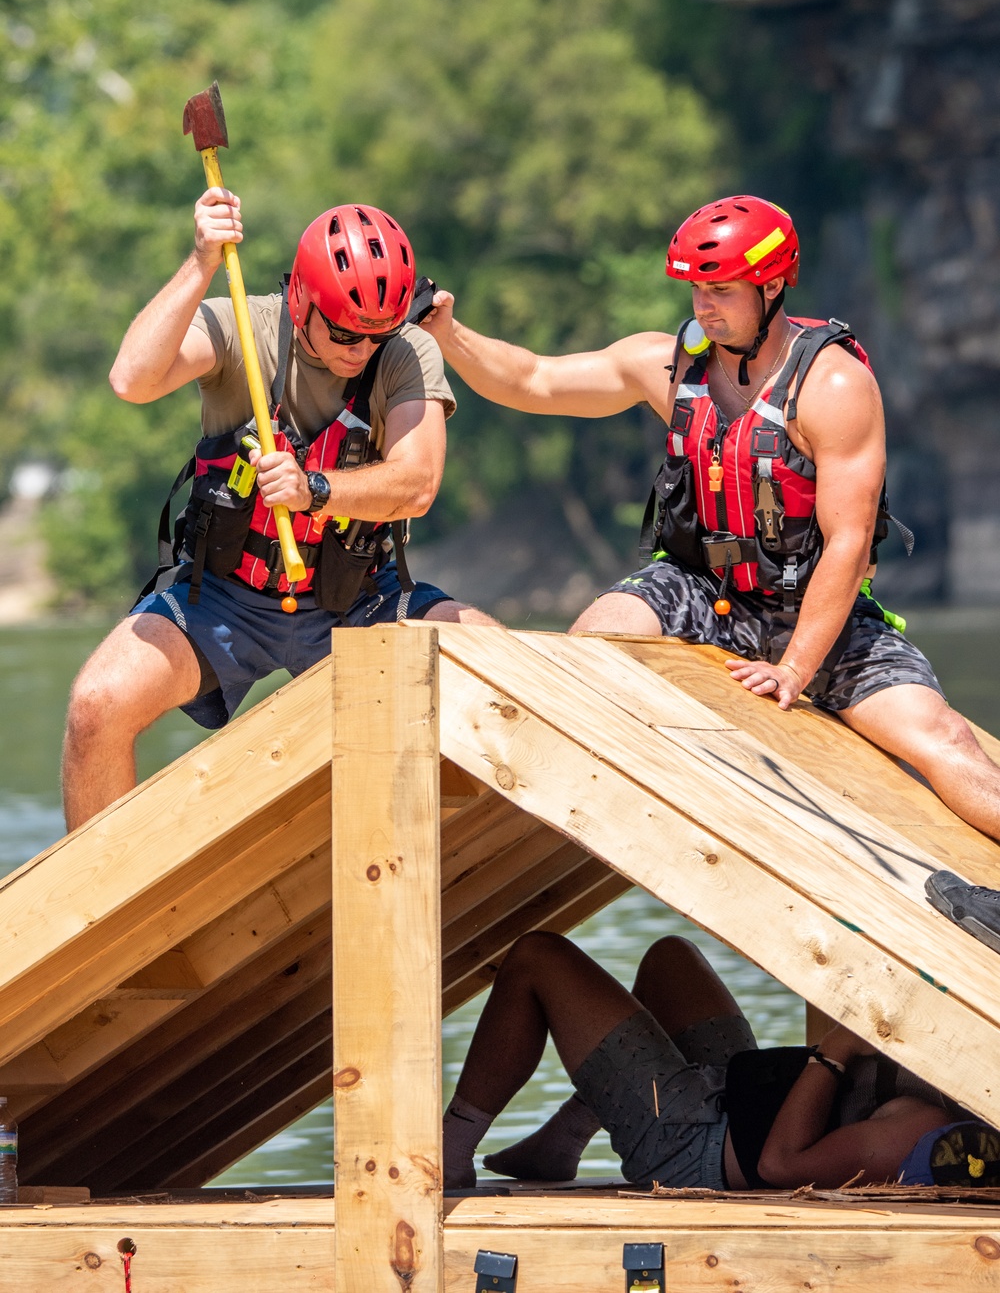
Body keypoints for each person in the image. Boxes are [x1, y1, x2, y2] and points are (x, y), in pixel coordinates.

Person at [423, 194, 1000, 946]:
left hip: (815, 614)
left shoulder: (832, 385)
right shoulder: (670, 364)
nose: (704, 306)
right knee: (590, 644)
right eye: (697, 289)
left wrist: (794, 668)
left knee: (944, 740)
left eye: (721, 289)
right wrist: (448, 333)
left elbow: (849, 543)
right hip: (702, 589)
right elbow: (532, 379)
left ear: (772, 286)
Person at [62, 189, 495, 830]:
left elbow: (418, 484)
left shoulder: (405, 351)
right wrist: (202, 261)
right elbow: (132, 380)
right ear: (300, 300)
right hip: (224, 597)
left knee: (499, 667)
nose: (361, 349)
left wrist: (313, 489)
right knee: (96, 706)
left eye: (376, 334)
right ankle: (98, 886)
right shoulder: (245, 325)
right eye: (344, 331)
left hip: (356, 599)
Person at [442, 930, 998, 1193]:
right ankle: (564, 1138)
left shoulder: (926, 1129)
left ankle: (449, 1152)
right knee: (670, 959)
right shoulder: (954, 1082)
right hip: (739, 1095)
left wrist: (836, 1050)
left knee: (537, 956)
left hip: (694, 1147)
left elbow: (780, 1166)